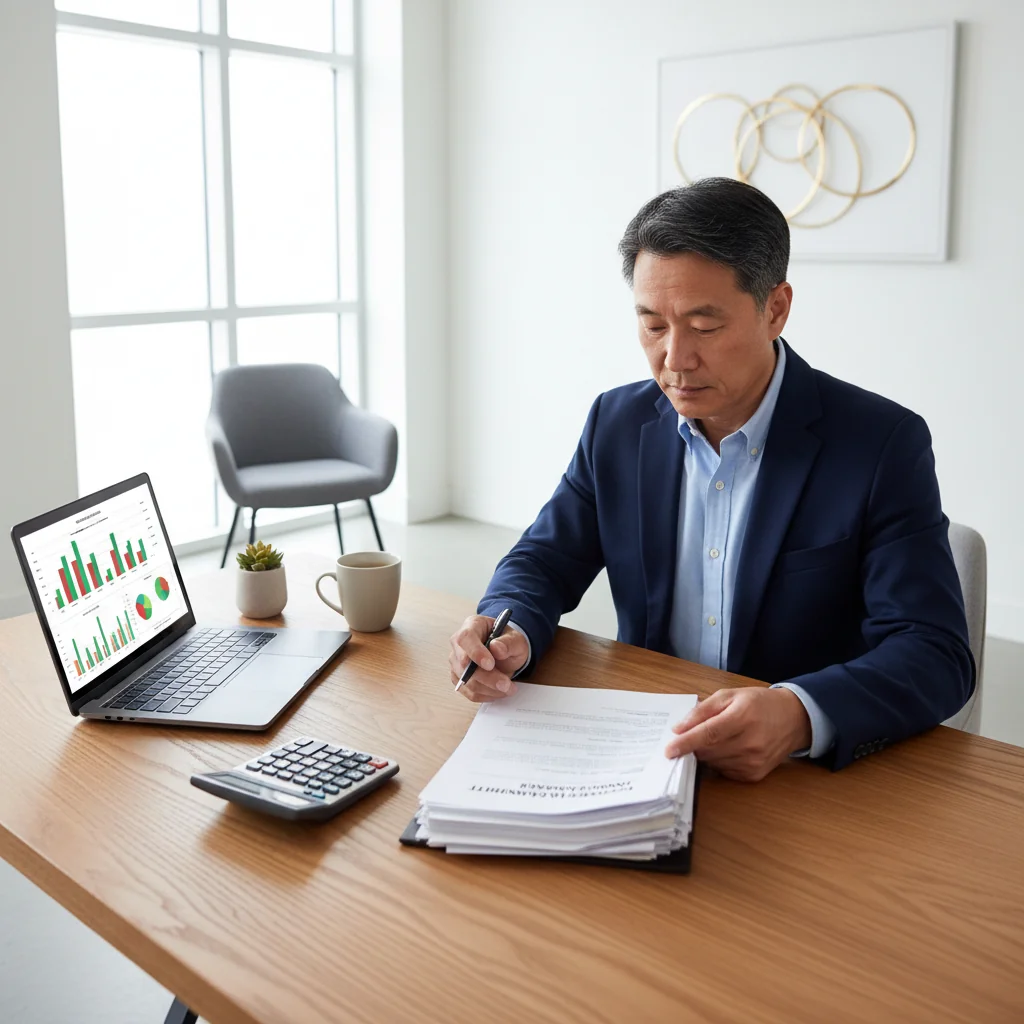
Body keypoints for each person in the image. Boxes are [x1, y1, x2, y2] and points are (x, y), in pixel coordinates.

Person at [447, 177, 974, 780]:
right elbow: (543, 560)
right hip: (646, 752)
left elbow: (934, 654)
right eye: (652, 325)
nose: (674, 358)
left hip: (794, 777)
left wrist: (798, 713)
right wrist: (506, 625)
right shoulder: (617, 423)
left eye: (704, 326)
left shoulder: (880, 444)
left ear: (775, 309)